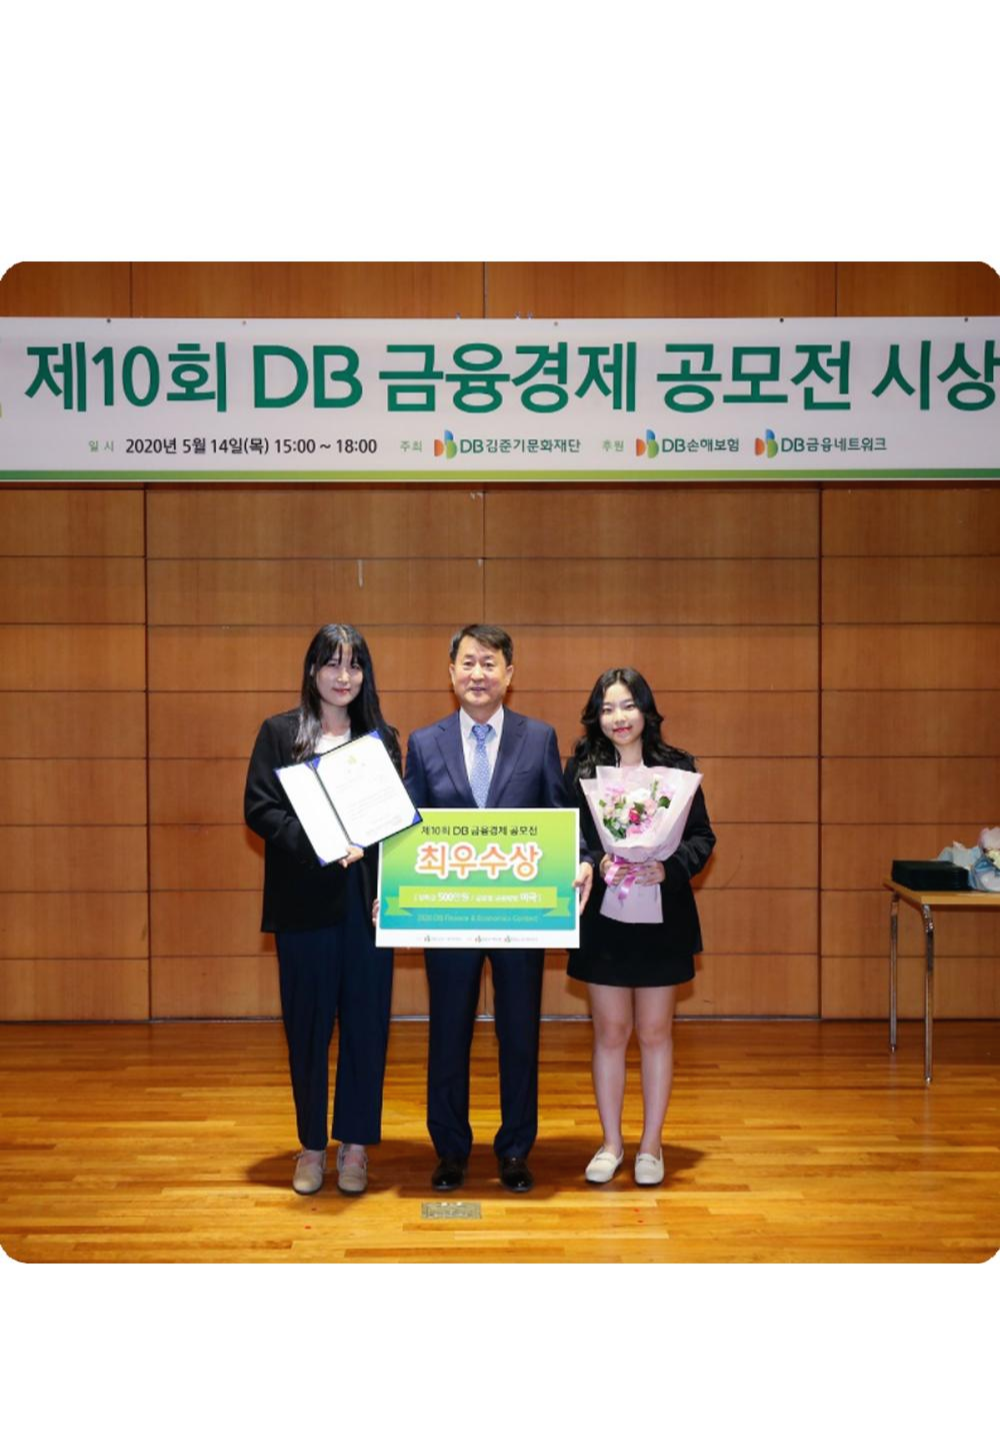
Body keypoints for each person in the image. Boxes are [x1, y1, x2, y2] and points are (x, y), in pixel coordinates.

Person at [404, 624, 594, 1193]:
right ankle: (450, 1150)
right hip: (448, 918)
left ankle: (514, 1149)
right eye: (468, 662)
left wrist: (582, 859)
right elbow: (406, 831)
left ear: (510, 674)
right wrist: (390, 890)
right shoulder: (424, 742)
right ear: (451, 673)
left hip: (521, 916)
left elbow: (561, 818)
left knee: (519, 1035)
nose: (478, 674)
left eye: (490, 663)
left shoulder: (539, 739)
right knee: (448, 1034)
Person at [244, 623, 400, 1197]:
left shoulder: (381, 739)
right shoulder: (280, 733)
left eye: (354, 665)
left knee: (366, 1027)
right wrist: (320, 842)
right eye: (332, 664)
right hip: (303, 906)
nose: (343, 676)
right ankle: (311, 1145)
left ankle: (355, 1145)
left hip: (365, 908)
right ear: (312, 671)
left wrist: (390, 885)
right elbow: (260, 808)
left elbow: (395, 825)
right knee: (307, 1030)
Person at [565, 668, 715, 1187]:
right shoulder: (582, 769)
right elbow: (572, 837)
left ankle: (651, 1146)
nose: (618, 718)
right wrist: (595, 861)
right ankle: (611, 1143)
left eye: (627, 705)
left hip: (661, 917)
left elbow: (702, 838)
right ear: (596, 717)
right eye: (607, 709)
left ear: (646, 710)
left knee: (654, 1032)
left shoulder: (678, 768)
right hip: (604, 918)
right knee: (610, 1032)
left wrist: (666, 869)